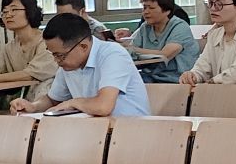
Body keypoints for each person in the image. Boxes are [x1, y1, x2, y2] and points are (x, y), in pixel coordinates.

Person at [11, 12, 150, 118]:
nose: (56, 61)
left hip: (130, 130)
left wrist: (73, 102)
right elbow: (53, 100)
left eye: (60, 55)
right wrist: (32, 106)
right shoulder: (68, 64)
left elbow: (103, 106)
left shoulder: (113, 54)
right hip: (96, 130)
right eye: (53, 54)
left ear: (83, 46)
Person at [0, 0, 60, 100]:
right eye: (4, 12)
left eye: (14, 10)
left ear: (30, 11)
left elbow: (30, 74)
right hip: (22, 98)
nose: (8, 15)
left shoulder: (47, 42)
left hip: (49, 96)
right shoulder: (8, 48)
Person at [129, 0, 196, 83]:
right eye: (144, 7)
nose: (146, 12)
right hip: (150, 76)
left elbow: (165, 55)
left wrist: (133, 50)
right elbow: (131, 54)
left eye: (151, 8)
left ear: (167, 11)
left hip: (176, 79)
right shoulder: (145, 27)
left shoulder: (180, 27)